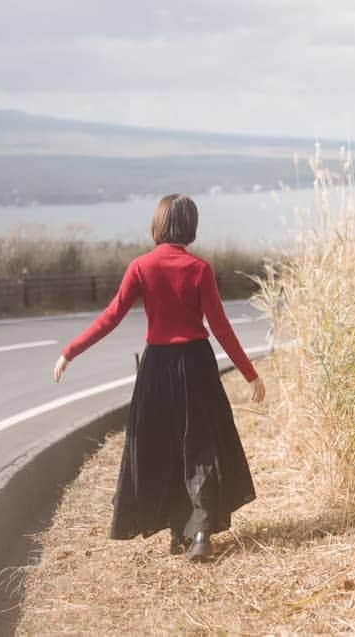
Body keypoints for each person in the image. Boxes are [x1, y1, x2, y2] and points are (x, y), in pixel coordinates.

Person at [52, 193, 267, 562]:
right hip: (196, 365)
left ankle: (179, 530)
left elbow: (111, 316)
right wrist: (250, 374)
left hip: (156, 368)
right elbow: (221, 328)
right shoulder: (199, 270)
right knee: (200, 445)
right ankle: (198, 532)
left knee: (163, 446)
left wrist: (69, 351)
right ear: (191, 226)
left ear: (158, 224)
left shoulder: (141, 267)